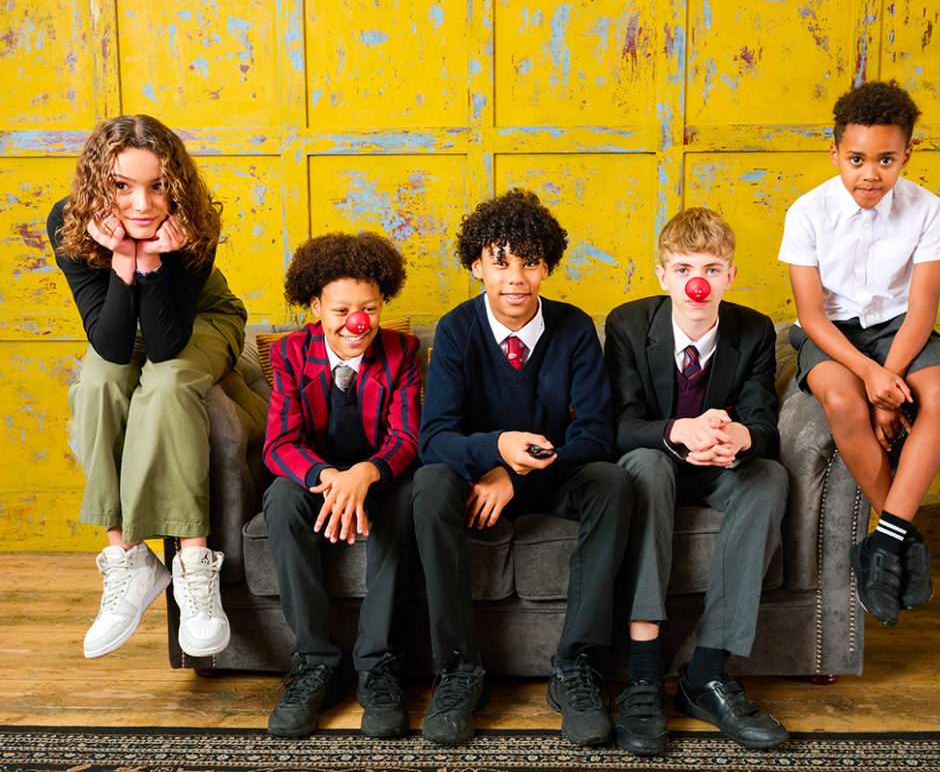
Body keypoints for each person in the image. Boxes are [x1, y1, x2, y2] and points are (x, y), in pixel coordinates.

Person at [412, 189, 632, 746]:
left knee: (611, 481)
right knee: (430, 483)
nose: (515, 276)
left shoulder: (575, 328)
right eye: (500, 260)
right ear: (477, 265)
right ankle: (460, 669)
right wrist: (496, 449)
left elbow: (595, 435)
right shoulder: (458, 330)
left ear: (547, 267)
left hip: (547, 476)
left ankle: (575, 666)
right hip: (473, 484)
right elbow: (434, 437)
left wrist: (516, 475)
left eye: (530, 261)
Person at [48, 114, 247, 660]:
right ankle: (128, 560)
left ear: (175, 185)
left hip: (200, 320)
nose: (142, 204)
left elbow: (165, 346)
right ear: (97, 186)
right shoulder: (67, 222)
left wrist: (155, 262)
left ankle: (192, 566)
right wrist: (121, 265)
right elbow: (112, 348)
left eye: (157, 185)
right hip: (121, 314)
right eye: (121, 186)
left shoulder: (194, 224)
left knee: (166, 385)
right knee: (94, 386)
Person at [604, 207, 790, 755]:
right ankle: (642, 674)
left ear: (729, 275)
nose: (697, 282)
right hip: (655, 460)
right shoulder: (628, 324)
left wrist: (738, 438)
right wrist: (678, 430)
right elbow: (618, 427)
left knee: (770, 478)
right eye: (683, 268)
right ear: (663, 275)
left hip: (719, 470)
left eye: (711, 268)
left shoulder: (753, 331)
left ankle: (705, 675)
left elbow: (764, 424)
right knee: (646, 464)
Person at [778, 81, 940, 627]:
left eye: (886, 160)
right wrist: (870, 380)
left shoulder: (927, 209)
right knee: (841, 399)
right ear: (834, 152)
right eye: (856, 159)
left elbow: (922, 308)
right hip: (833, 335)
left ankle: (882, 545)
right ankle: (904, 534)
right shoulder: (807, 212)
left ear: (908, 153)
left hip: (899, 331)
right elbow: (811, 315)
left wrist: (891, 384)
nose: (870, 174)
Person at [261, 232, 421, 738]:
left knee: (405, 504)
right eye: (342, 310)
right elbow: (279, 442)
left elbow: (408, 436)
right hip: (318, 480)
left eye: (370, 309)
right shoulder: (290, 352)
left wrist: (364, 475)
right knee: (280, 496)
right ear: (315, 306)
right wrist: (331, 478)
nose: (357, 323)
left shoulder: (403, 351)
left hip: (381, 476)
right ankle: (316, 664)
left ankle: (377, 666)